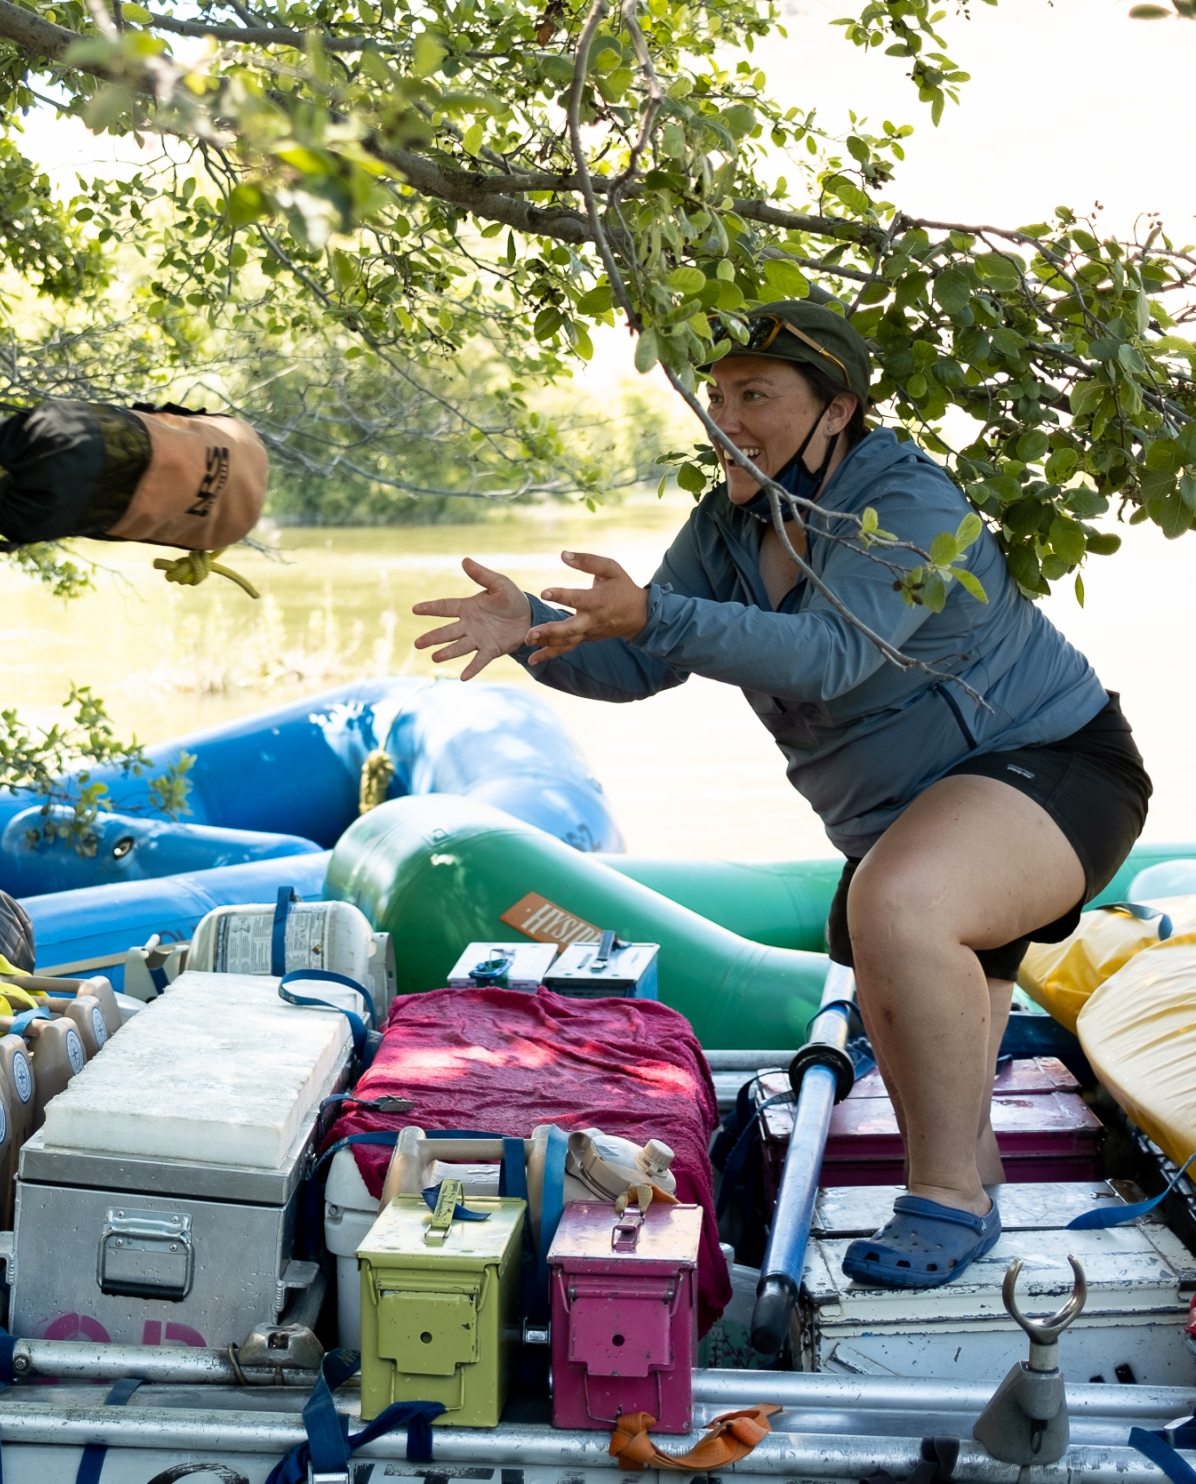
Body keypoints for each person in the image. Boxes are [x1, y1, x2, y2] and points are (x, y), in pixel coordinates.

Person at [413, 301, 1151, 1289]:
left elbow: (831, 653)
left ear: (836, 408)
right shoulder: (730, 522)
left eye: (755, 394)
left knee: (900, 902)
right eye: (716, 395)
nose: (726, 416)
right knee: (875, 917)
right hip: (920, 811)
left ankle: (946, 1199)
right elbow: (640, 661)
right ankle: (973, 1193)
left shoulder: (907, 502)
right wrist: (537, 632)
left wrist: (657, 612)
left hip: (1053, 762)